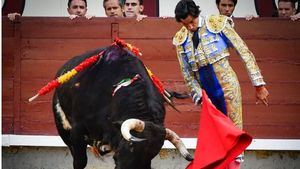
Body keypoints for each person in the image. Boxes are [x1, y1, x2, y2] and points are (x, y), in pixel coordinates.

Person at [173, 0, 269, 166]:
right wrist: (200, 96)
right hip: (207, 95)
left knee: (234, 134)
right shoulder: (181, 38)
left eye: (191, 22)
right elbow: (188, 75)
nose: (189, 27)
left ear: (197, 14)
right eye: (185, 24)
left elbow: (244, 52)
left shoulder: (218, 23)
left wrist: (259, 85)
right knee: (215, 139)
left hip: (228, 87)